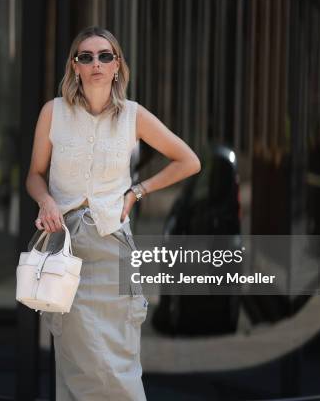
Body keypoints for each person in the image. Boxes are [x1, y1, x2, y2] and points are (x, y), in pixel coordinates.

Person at [25, 25, 201, 401]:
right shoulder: (52, 113)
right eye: (85, 57)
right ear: (74, 66)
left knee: (116, 359)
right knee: (77, 360)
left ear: (118, 65)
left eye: (105, 56)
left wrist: (138, 191)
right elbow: (34, 176)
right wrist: (46, 200)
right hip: (65, 250)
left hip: (111, 248)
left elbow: (189, 161)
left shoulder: (133, 116)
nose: (96, 64)